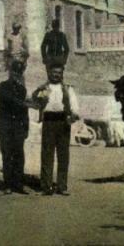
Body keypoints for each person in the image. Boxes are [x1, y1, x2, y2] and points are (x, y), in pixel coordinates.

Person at [32, 64, 79, 195]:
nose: (56, 75)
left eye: (58, 72)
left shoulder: (67, 89)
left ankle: (62, 186)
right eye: (53, 72)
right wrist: (37, 93)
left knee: (63, 155)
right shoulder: (46, 88)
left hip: (63, 122)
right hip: (49, 122)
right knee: (47, 155)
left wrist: (73, 115)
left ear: (62, 74)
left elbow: (74, 105)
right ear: (49, 73)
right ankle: (46, 187)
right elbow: (37, 102)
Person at [0, 60, 30, 193]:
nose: (17, 75)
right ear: (10, 72)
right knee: (7, 154)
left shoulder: (22, 89)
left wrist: (26, 127)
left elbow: (24, 112)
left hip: (18, 126)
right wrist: (27, 104)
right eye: (15, 72)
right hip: (5, 125)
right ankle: (7, 185)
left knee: (19, 155)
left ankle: (18, 184)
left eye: (19, 72)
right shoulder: (3, 86)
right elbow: (9, 100)